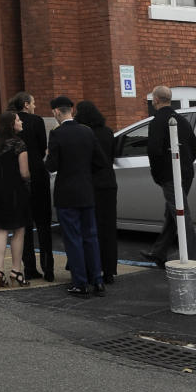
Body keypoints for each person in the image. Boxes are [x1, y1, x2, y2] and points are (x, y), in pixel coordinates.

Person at [45, 95, 106, 296]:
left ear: (56, 112)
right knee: (91, 237)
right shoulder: (87, 132)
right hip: (86, 191)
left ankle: (80, 282)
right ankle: (97, 279)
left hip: (67, 193)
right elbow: (100, 162)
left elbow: (51, 166)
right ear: (71, 110)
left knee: (73, 238)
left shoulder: (57, 134)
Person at [143, 85, 196, 266]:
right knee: (174, 212)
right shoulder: (182, 121)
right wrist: (186, 163)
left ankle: (193, 260)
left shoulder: (157, 122)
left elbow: (154, 150)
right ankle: (159, 252)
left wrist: (158, 174)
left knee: (182, 215)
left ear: (156, 100)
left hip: (170, 175)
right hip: (186, 173)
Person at [0, 110, 31, 285]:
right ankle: (16, 270)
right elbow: (24, 173)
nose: (21, 122)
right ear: (12, 124)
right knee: (18, 230)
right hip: (15, 191)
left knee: (1, 230)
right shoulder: (19, 144)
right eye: (18, 120)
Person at [10, 91, 54, 281]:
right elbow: (43, 146)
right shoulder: (37, 121)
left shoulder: (11, 121)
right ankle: (49, 268)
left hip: (19, 176)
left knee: (25, 225)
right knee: (44, 223)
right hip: (37, 172)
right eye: (33, 102)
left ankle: (30, 268)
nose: (35, 105)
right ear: (26, 104)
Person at [74, 100, 118, 283]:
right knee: (108, 228)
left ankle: (92, 268)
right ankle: (109, 270)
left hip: (91, 184)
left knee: (90, 229)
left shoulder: (84, 134)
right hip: (109, 184)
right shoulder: (108, 132)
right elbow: (112, 155)